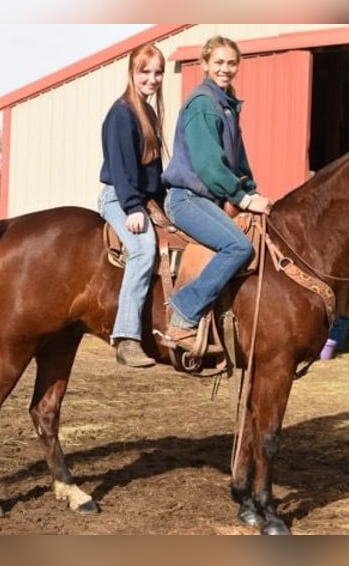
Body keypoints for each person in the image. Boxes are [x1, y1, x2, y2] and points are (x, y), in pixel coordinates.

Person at [161, 35, 273, 349]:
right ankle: (183, 313)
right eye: (219, 62)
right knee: (238, 247)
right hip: (187, 198)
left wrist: (253, 191)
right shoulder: (203, 103)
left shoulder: (226, 104)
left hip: (207, 199)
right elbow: (210, 165)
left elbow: (239, 161)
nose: (226, 69)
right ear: (205, 64)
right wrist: (243, 198)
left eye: (231, 63)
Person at [98, 43, 167, 368]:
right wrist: (133, 207)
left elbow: (154, 172)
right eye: (145, 72)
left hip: (145, 198)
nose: (152, 79)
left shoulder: (148, 112)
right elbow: (123, 169)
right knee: (143, 249)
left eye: (157, 72)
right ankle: (126, 337)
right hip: (119, 196)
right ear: (132, 72)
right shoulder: (121, 114)